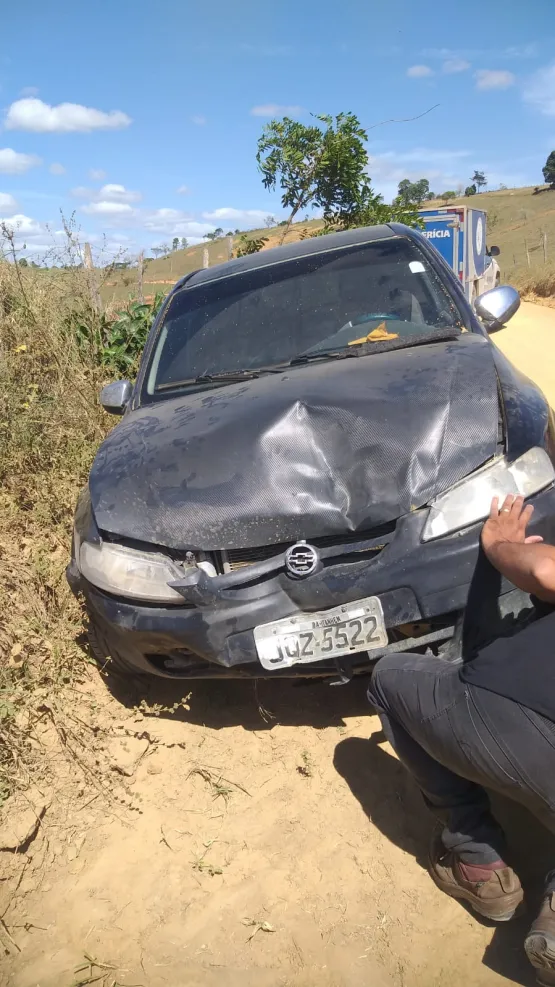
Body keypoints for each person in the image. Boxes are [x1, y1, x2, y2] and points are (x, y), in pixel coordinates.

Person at [367, 493, 555, 986]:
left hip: (508, 715)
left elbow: (546, 574)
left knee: (389, 678)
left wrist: (498, 548)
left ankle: (478, 860)